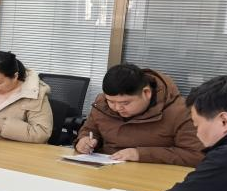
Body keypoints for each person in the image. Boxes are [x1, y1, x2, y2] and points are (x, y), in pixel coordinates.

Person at [74, 63, 204, 166]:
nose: (117, 108)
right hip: (105, 168)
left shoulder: (181, 111)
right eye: (111, 101)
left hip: (152, 174)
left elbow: (195, 155)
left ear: (146, 93)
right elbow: (90, 130)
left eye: (125, 103)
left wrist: (141, 154)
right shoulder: (102, 103)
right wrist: (84, 141)